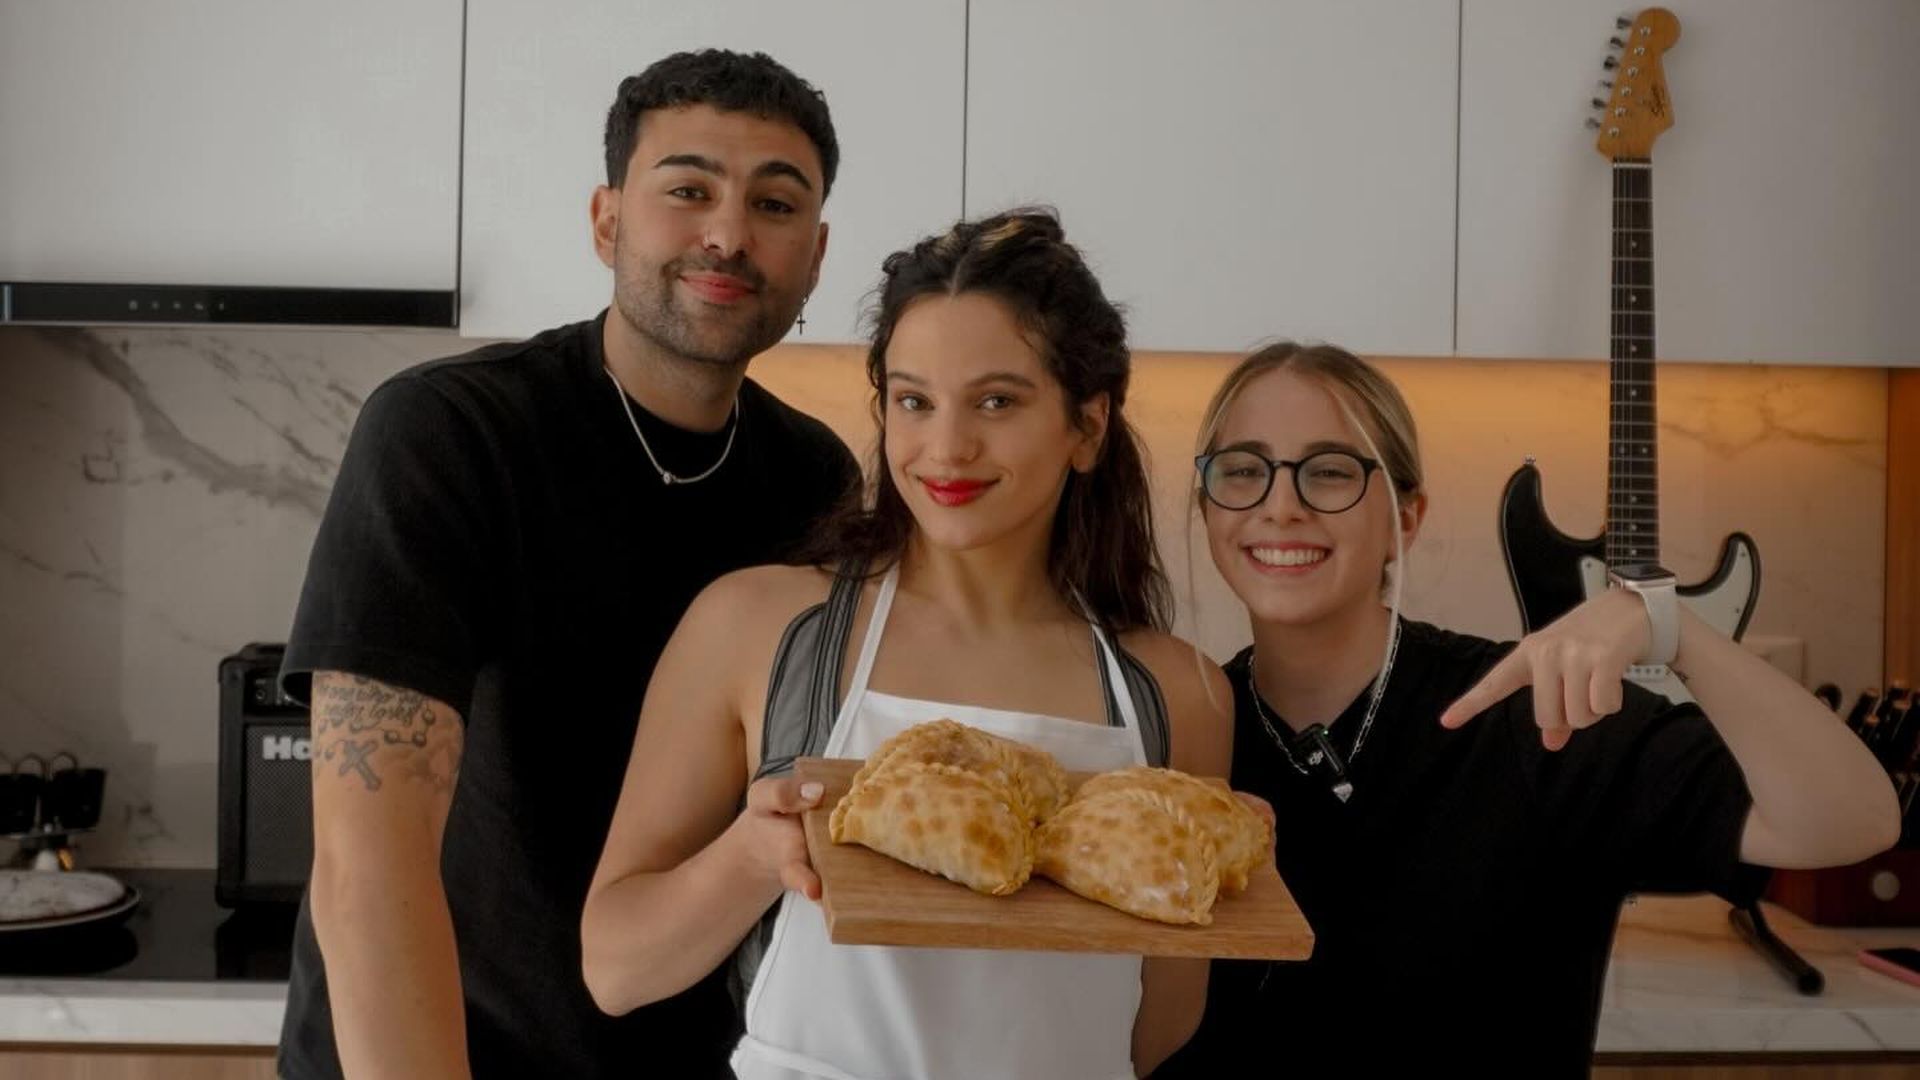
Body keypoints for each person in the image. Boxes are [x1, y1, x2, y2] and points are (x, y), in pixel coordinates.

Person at [277, 50, 857, 1080]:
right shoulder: (450, 434)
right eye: (688, 190)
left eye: (774, 202)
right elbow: (369, 865)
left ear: (814, 256)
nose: (728, 233)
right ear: (607, 221)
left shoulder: (813, 481)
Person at [581, 208, 1238, 1079]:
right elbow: (616, 968)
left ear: (1088, 427)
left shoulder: (1176, 691)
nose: (946, 448)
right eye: (913, 401)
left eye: (997, 401)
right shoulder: (755, 627)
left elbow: (1158, 1025)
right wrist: (755, 853)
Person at [1155, 342, 1900, 1076]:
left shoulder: (1536, 720)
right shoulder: (1176, 741)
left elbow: (1853, 821)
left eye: (1329, 473)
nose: (1280, 507)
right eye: (1244, 471)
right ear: (1207, 504)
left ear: (1405, 518)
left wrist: (1671, 630)